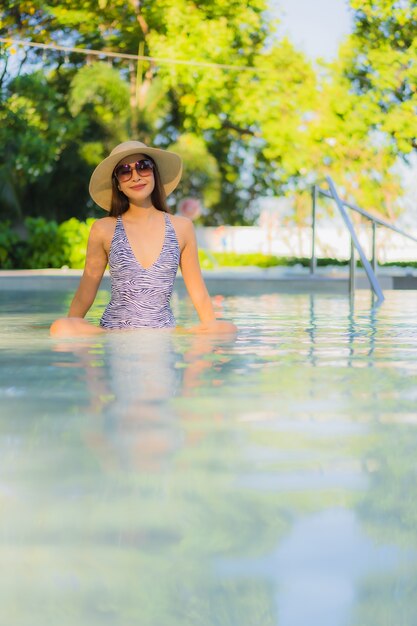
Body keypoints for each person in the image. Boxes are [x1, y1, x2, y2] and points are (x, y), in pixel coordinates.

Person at [50, 140, 236, 337]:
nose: (135, 177)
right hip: (114, 332)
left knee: (226, 329)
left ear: (154, 173)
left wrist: (205, 348)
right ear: (118, 184)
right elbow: (85, 293)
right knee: (61, 327)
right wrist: (71, 327)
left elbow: (199, 293)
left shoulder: (182, 228)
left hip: (163, 331)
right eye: (125, 171)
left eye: (143, 167)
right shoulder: (103, 229)